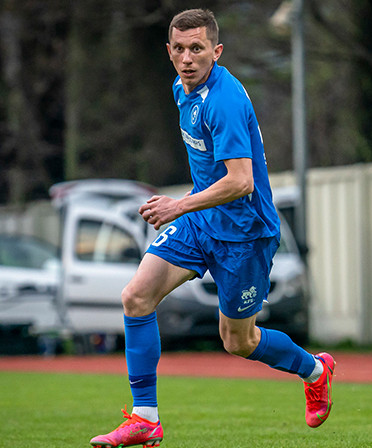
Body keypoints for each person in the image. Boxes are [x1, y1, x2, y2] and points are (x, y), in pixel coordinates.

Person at [90, 9, 334, 448]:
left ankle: (315, 370)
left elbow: (241, 182)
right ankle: (146, 418)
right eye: (179, 49)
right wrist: (187, 211)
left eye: (197, 49)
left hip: (245, 234)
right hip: (202, 223)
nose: (187, 58)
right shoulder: (181, 90)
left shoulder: (225, 99)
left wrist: (177, 205)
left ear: (216, 52)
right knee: (136, 296)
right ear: (169, 52)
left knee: (237, 341)